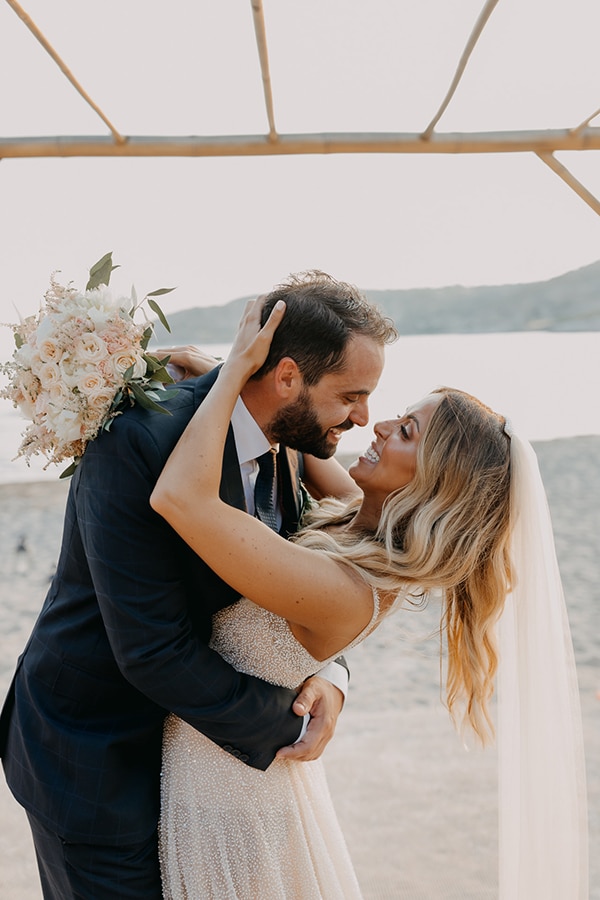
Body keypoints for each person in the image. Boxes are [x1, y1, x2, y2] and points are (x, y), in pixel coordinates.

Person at [151, 298, 589, 899]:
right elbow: (302, 446)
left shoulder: (349, 589)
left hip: (227, 799)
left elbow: (181, 498)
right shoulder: (360, 522)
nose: (376, 425)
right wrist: (228, 375)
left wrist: (232, 371)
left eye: (406, 432)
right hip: (228, 772)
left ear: (434, 482)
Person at [0, 271, 397, 899]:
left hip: (193, 763)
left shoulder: (291, 438)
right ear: (288, 376)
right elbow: (151, 649)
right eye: (352, 395)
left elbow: (306, 582)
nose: (364, 417)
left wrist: (332, 674)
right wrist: (289, 727)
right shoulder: (137, 438)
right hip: (94, 756)